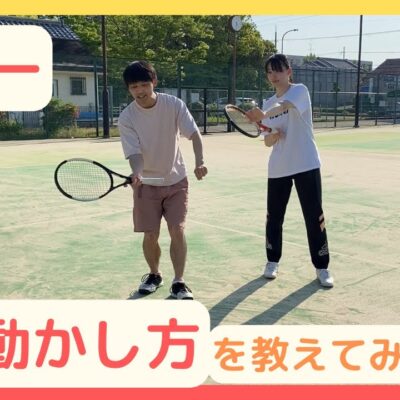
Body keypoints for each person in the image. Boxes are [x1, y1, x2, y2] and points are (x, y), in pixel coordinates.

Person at [118, 60, 208, 299]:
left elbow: (194, 135)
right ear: (129, 89)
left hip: (176, 181)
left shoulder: (173, 105)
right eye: (134, 87)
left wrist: (199, 162)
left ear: (154, 82)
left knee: (177, 229)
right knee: (150, 234)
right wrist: (137, 172)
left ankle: (179, 282)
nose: (140, 91)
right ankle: (154, 274)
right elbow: (134, 153)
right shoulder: (127, 117)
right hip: (146, 185)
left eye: (144, 84)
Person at [246, 54, 333, 288]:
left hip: (306, 163)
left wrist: (263, 115)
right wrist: (273, 135)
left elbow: (284, 106)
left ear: (288, 72)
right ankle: (272, 261)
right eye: (269, 72)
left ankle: (322, 267)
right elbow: (267, 141)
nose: (273, 76)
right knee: (273, 218)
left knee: (314, 217)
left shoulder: (299, 91)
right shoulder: (267, 103)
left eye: (277, 70)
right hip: (278, 168)